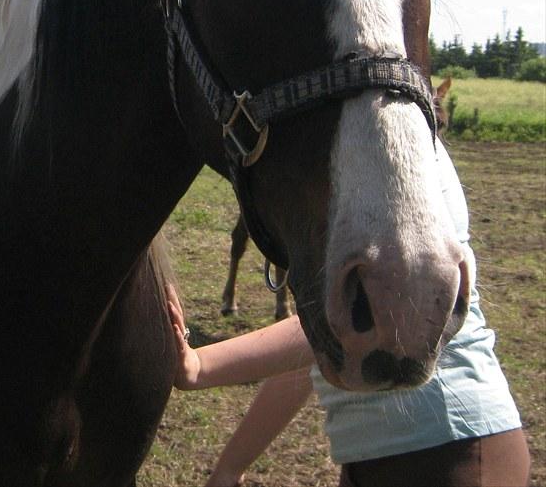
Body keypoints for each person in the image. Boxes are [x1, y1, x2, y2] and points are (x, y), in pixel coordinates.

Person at [167, 141, 530, 487]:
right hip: (388, 455)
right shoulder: (351, 150)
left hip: (447, 450)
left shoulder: (401, 156)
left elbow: (343, 320)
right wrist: (231, 466)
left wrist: (203, 365)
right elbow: (313, 350)